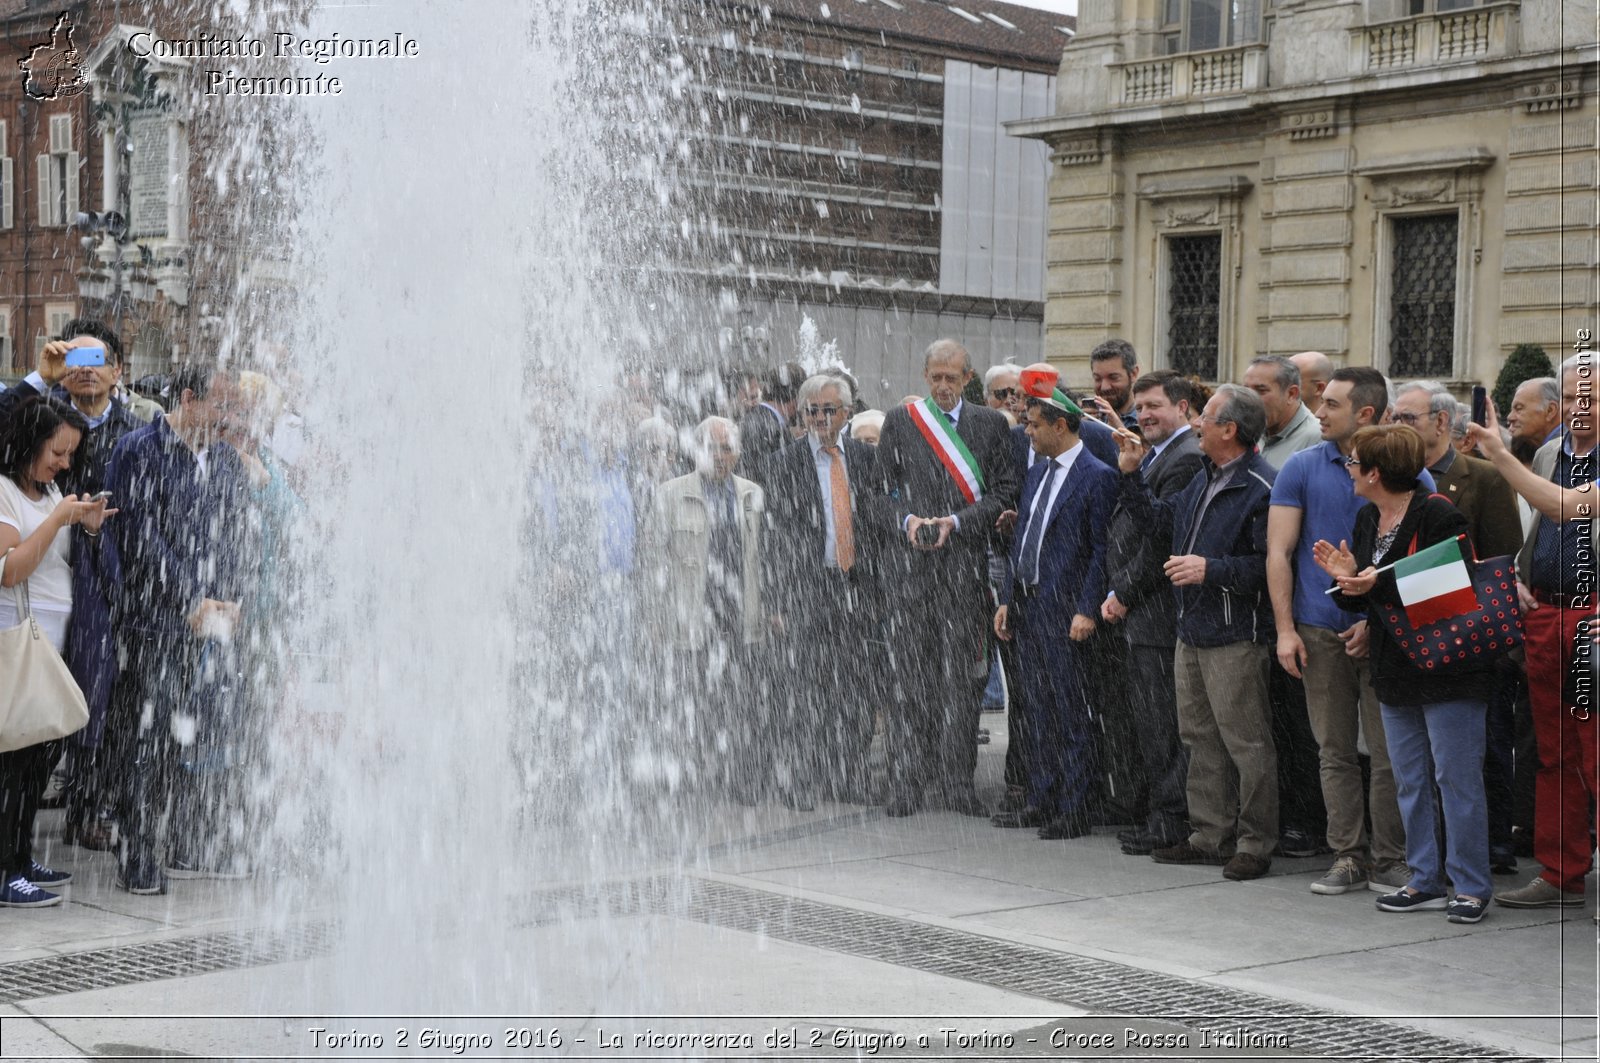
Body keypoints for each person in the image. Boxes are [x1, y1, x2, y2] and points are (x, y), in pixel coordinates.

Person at [1316, 425, 1496, 924]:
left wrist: (1374, 581)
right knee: (1410, 779)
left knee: (1456, 779)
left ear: (1375, 472)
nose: (1349, 470)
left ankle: (1471, 885)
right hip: (1396, 667)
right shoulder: (1368, 516)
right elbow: (1372, 599)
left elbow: (1451, 586)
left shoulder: (1438, 512)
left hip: (1450, 667)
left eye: (1354, 464)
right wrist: (1349, 582)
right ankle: (1425, 879)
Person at [1269, 367, 1428, 896]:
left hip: (1385, 636)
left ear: (1364, 413)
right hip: (1317, 631)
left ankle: (1392, 859)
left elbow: (1420, 566)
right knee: (1333, 749)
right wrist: (1285, 629)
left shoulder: (1409, 473)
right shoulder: (1301, 466)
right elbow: (1280, 552)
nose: (1319, 410)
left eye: (1331, 404)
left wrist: (1372, 621)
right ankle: (1347, 856)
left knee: (1389, 755)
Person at [1114, 385, 1280, 881]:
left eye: (1205, 417)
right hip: (1192, 628)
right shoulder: (1206, 476)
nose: (1197, 424)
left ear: (1229, 429)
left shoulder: (1260, 486)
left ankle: (1254, 842)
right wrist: (1131, 478)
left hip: (1234, 633)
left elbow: (1269, 567)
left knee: (1246, 743)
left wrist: (1213, 570)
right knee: (1198, 736)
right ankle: (1209, 835)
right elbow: (1161, 525)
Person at [105, 365, 254, 895]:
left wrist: (232, 598)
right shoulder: (138, 450)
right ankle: (137, 850)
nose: (229, 419)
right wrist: (187, 598)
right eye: (221, 406)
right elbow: (139, 534)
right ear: (188, 399)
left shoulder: (228, 463)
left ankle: (177, 840)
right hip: (153, 623)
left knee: (186, 738)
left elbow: (238, 534)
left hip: (209, 627)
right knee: (146, 739)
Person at [0, 322, 142, 853]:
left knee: (92, 705)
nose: (83, 367)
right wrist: (40, 377)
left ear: (117, 370)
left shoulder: (135, 426)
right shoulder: (35, 419)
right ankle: (17, 845)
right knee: (32, 717)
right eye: (74, 356)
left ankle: (85, 808)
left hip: (100, 583)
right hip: (38, 595)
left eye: (95, 357)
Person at [875, 339, 1019, 818]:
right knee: (911, 681)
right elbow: (878, 494)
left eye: (951, 377)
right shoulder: (902, 422)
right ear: (924, 374)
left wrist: (957, 523)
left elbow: (1003, 494)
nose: (942, 386)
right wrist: (908, 521)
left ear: (968, 377)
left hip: (965, 572)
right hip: (910, 575)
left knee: (962, 683)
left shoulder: (990, 425)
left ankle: (958, 784)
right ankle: (908, 782)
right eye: (935, 376)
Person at [1392, 381, 1526, 872]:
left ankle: (1491, 848)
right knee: (1420, 763)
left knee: (1481, 750)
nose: (1396, 426)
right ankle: (1434, 858)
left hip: (1467, 637)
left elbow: (1502, 557)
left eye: (1407, 418)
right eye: (1394, 417)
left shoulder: (1482, 478)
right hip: (1407, 641)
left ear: (1441, 423)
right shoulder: (1391, 479)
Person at [1495, 354, 1600, 911]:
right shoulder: (1548, 453)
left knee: (1597, 755)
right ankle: (1561, 874)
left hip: (1592, 620)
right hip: (1548, 617)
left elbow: (1563, 507)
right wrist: (1517, 574)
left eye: (1596, 399)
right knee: (1552, 753)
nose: (1582, 411)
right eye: (1574, 399)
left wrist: (1494, 453)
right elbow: (1535, 521)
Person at [991, 379, 1119, 838]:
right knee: (1038, 712)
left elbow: (1102, 550)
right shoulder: (1037, 472)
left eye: (1033, 425)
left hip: (1068, 612)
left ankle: (1076, 806)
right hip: (1029, 609)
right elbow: (1024, 540)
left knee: (1072, 713)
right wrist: (1007, 598)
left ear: (1060, 426)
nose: (1026, 432)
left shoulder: (1098, 476)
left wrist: (1088, 608)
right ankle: (1042, 798)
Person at [0, 397, 114, 907]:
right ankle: (5, 871)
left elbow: (59, 567)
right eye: (57, 451)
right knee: (13, 764)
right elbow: (10, 568)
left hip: (51, 646)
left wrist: (84, 526)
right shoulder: (4, 493)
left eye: (69, 454)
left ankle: (20, 858)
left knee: (39, 758)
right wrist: (58, 520)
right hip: (16, 645)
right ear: (28, 443)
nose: (64, 463)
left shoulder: (50, 494)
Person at [762, 375, 882, 808]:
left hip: (855, 588)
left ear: (846, 414)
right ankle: (801, 776)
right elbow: (774, 539)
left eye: (828, 410)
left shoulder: (869, 461)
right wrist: (778, 602)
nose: (819, 418)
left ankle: (845, 774)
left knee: (854, 686)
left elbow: (878, 527)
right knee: (806, 688)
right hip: (807, 588)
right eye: (812, 410)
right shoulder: (783, 463)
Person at [1100, 371, 1203, 854]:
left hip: (1157, 615)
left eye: (1154, 407)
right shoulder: (1157, 454)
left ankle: (1170, 819)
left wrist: (1124, 591)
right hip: (1145, 615)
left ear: (1183, 408)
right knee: (1149, 722)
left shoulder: (1184, 459)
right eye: (1139, 409)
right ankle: (1155, 810)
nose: (1143, 416)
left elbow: (1161, 539)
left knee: (1163, 725)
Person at [645, 416, 768, 801]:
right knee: (691, 701)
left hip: (738, 615)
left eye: (727, 448)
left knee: (738, 701)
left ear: (738, 453)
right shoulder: (670, 493)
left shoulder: (752, 494)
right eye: (711, 448)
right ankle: (691, 781)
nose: (719, 456)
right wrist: (655, 617)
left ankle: (735, 778)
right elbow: (652, 562)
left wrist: (768, 610)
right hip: (691, 612)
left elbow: (764, 559)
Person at [1245, 356, 1321, 471]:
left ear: (1291, 394)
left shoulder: (1319, 439)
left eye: (1261, 391)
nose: (1249, 399)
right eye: (1246, 390)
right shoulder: (1248, 431)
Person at [1505, 377, 1563, 465]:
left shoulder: (1570, 448)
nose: (1510, 417)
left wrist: (1498, 453)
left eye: (1519, 408)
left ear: (1550, 410)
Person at [1089, 339, 1140, 431]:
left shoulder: (1149, 421)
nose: (1104, 387)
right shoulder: (1088, 419)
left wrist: (1119, 430)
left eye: (1113, 377)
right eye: (1098, 379)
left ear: (1133, 374)